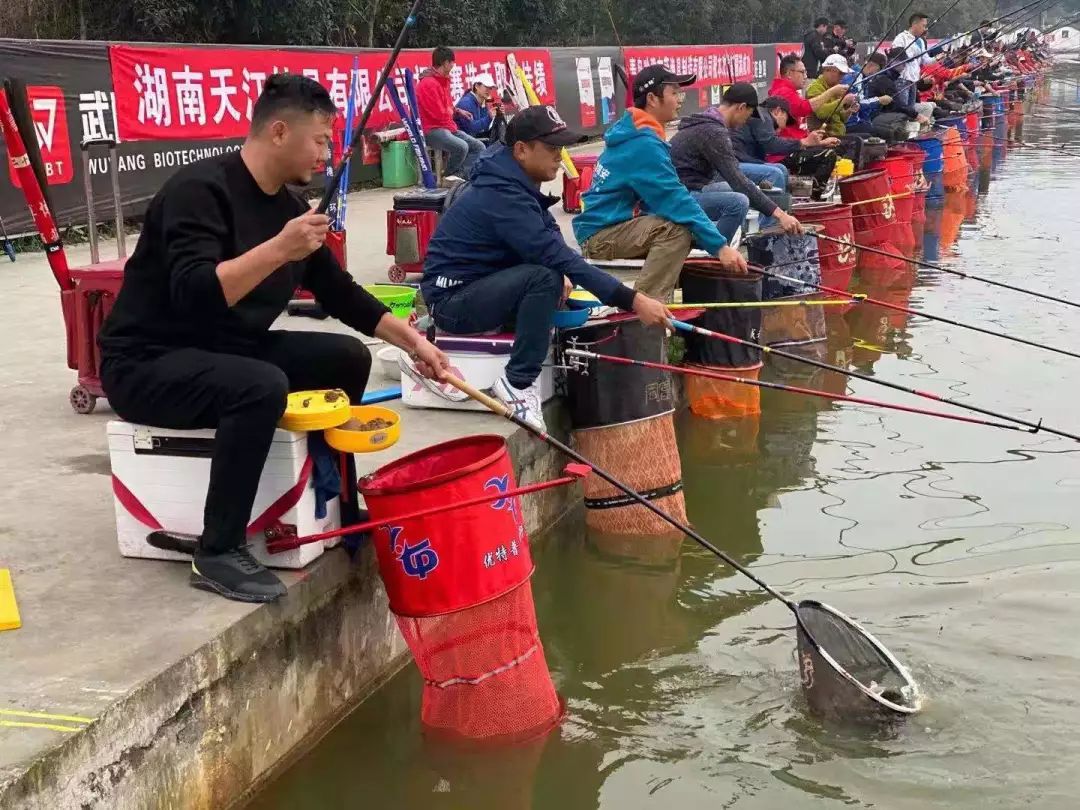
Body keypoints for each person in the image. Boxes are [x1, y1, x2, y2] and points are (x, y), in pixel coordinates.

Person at [97, 75, 449, 603]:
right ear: (279, 131)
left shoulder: (287, 210)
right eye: (321, 140)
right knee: (259, 385)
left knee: (346, 359)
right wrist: (280, 249)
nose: (328, 154)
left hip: (223, 351)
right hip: (146, 362)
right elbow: (195, 294)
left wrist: (416, 344)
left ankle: (333, 499)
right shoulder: (198, 191)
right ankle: (217, 550)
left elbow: (342, 294)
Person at [421, 105, 669, 431]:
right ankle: (517, 383)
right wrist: (633, 300)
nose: (560, 156)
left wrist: (600, 293)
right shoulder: (501, 194)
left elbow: (554, 243)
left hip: (481, 287)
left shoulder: (516, 182)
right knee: (543, 277)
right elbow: (558, 258)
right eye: (552, 148)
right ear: (522, 150)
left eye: (562, 147)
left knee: (554, 276)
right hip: (451, 301)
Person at [573, 64, 747, 304]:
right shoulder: (643, 144)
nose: (680, 99)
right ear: (653, 99)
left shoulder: (636, 131)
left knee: (684, 226)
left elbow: (667, 198)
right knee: (675, 231)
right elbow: (675, 199)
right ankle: (645, 311)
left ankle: (660, 302)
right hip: (601, 234)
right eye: (674, 93)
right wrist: (719, 246)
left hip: (612, 223)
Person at [669, 83, 802, 238]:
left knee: (742, 189)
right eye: (749, 114)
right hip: (678, 197)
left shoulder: (708, 122)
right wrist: (780, 214)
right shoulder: (713, 132)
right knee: (738, 202)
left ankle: (726, 236)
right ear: (741, 107)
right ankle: (717, 251)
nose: (747, 121)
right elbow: (737, 180)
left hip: (689, 188)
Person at [416, 47, 484, 180]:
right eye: (452, 62)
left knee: (479, 147)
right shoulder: (428, 84)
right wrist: (450, 112)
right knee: (461, 147)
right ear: (446, 63)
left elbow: (447, 107)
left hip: (446, 126)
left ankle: (460, 176)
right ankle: (449, 177)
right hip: (431, 129)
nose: (453, 65)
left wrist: (458, 111)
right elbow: (438, 113)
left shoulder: (442, 81)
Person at [756, 96, 841, 198]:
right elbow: (773, 145)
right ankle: (812, 196)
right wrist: (805, 142)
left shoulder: (761, 119)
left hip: (774, 161)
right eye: (786, 119)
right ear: (777, 111)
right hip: (772, 161)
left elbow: (778, 144)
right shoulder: (764, 120)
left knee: (782, 170)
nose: (785, 125)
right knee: (828, 154)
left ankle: (804, 193)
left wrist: (818, 143)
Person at [769, 55, 852, 132]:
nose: (805, 76)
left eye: (806, 72)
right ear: (789, 74)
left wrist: (849, 110)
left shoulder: (787, 91)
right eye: (802, 72)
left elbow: (841, 119)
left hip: (803, 141)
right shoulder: (783, 92)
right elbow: (805, 109)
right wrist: (835, 95)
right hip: (798, 144)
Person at [866, 47, 932, 139]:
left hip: (882, 113)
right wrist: (917, 116)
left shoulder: (888, 78)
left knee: (909, 114)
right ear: (893, 62)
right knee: (902, 116)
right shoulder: (883, 79)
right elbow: (898, 104)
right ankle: (907, 141)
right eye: (903, 62)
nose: (905, 66)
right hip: (873, 116)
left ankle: (915, 139)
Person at [806, 54, 861, 136]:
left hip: (838, 135)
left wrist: (849, 111)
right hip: (822, 137)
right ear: (829, 71)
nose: (843, 76)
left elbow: (842, 119)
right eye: (841, 73)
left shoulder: (836, 87)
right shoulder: (814, 88)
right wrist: (843, 101)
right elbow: (821, 113)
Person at [892, 12, 934, 108]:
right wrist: (913, 54)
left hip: (914, 81)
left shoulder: (920, 41)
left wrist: (937, 58)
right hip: (902, 80)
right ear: (914, 24)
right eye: (923, 26)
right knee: (903, 110)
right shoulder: (901, 38)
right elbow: (898, 57)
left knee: (911, 110)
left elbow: (926, 60)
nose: (925, 29)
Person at [454, 73, 496, 139]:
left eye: (490, 88)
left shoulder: (482, 102)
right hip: (464, 142)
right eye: (486, 86)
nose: (489, 90)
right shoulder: (466, 103)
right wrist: (489, 118)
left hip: (474, 139)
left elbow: (484, 129)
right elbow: (470, 129)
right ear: (476, 86)